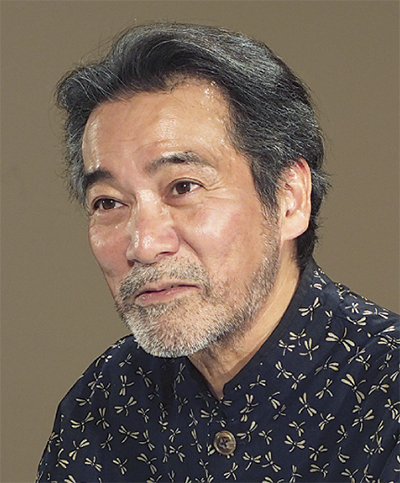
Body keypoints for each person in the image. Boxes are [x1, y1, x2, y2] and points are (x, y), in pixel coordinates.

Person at [36, 22, 399, 482]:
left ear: (289, 199)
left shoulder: (387, 391)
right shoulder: (103, 404)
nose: (143, 245)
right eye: (108, 203)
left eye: (183, 187)